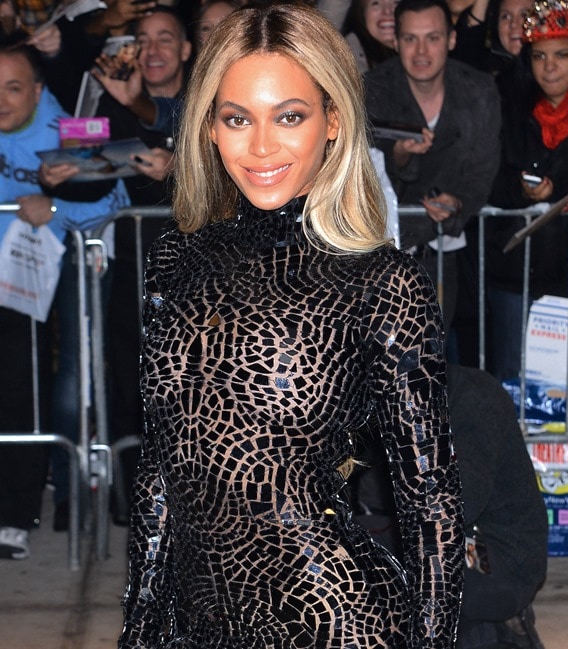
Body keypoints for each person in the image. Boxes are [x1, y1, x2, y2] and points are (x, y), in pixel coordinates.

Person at [118, 3, 464, 647]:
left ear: (333, 121)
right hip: (196, 625)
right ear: (210, 128)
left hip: (335, 621)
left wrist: (435, 638)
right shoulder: (176, 261)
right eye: (237, 118)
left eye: (290, 116)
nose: (262, 146)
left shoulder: (381, 283)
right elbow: (163, 471)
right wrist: (139, 630)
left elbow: (430, 502)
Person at [0, 42, 129, 557]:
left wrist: (54, 206)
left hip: (74, 264)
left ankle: (64, 493)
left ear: (37, 90)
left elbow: (111, 201)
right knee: (18, 384)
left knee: (72, 379)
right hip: (13, 278)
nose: (2, 100)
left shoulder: (72, 129)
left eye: (12, 87)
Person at [351, 365, 548, 649]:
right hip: (434, 541)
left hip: (492, 555)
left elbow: (458, 505)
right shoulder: (376, 403)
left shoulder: (471, 393)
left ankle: (495, 632)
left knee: (371, 559)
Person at [89, 6, 191, 523]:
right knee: (131, 385)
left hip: (196, 272)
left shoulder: (204, 104)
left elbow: (179, 122)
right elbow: (85, 164)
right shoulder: (110, 100)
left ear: (187, 50)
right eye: (142, 39)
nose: (152, 50)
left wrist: (180, 168)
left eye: (165, 39)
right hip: (129, 267)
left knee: (191, 391)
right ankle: (135, 504)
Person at [364, 0, 501, 330]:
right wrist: (398, 156)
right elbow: (361, 171)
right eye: (410, 39)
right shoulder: (373, 89)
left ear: (452, 39)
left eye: (433, 38)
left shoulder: (479, 90)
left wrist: (459, 202)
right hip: (379, 255)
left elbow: (484, 169)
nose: (421, 51)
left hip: (445, 252)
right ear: (396, 41)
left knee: (434, 355)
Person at [486, 0, 568, 381]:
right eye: (539, 56)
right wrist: (519, 190)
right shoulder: (505, 102)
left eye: (562, 54)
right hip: (517, 277)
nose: (550, 66)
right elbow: (484, 179)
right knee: (514, 390)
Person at [342, 0, 399, 73]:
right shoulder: (350, 55)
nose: (387, 11)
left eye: (396, 2)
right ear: (363, 13)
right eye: (376, 3)